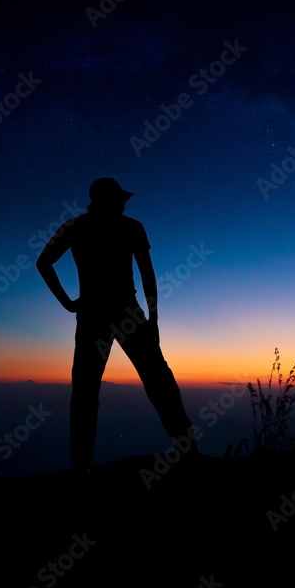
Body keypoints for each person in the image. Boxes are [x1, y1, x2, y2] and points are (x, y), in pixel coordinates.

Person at [36, 177, 199, 477]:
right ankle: (188, 450)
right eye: (120, 199)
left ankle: (81, 466)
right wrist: (154, 320)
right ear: (108, 200)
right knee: (158, 380)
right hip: (127, 313)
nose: (125, 203)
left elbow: (43, 262)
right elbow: (148, 275)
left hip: (93, 316)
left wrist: (69, 303)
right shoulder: (131, 227)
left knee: (86, 390)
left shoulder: (76, 227)